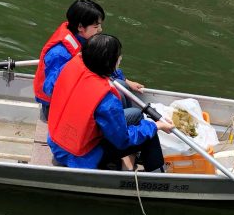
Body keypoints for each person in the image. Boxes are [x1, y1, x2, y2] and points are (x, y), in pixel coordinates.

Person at [47, 34, 170, 171]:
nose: (120, 58)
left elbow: (48, 88)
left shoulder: (71, 66)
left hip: (57, 142)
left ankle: (131, 157)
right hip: (80, 156)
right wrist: (156, 126)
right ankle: (156, 175)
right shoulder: (107, 101)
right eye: (118, 57)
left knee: (135, 112)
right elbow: (123, 141)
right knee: (149, 133)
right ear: (110, 63)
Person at [33, 0, 143, 120]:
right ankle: (120, 124)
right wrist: (75, 65)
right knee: (123, 103)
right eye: (96, 26)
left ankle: (120, 122)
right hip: (56, 108)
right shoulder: (59, 54)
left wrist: (126, 80)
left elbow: (99, 65)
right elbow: (49, 89)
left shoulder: (82, 39)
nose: (100, 30)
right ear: (80, 26)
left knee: (121, 85)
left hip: (76, 96)